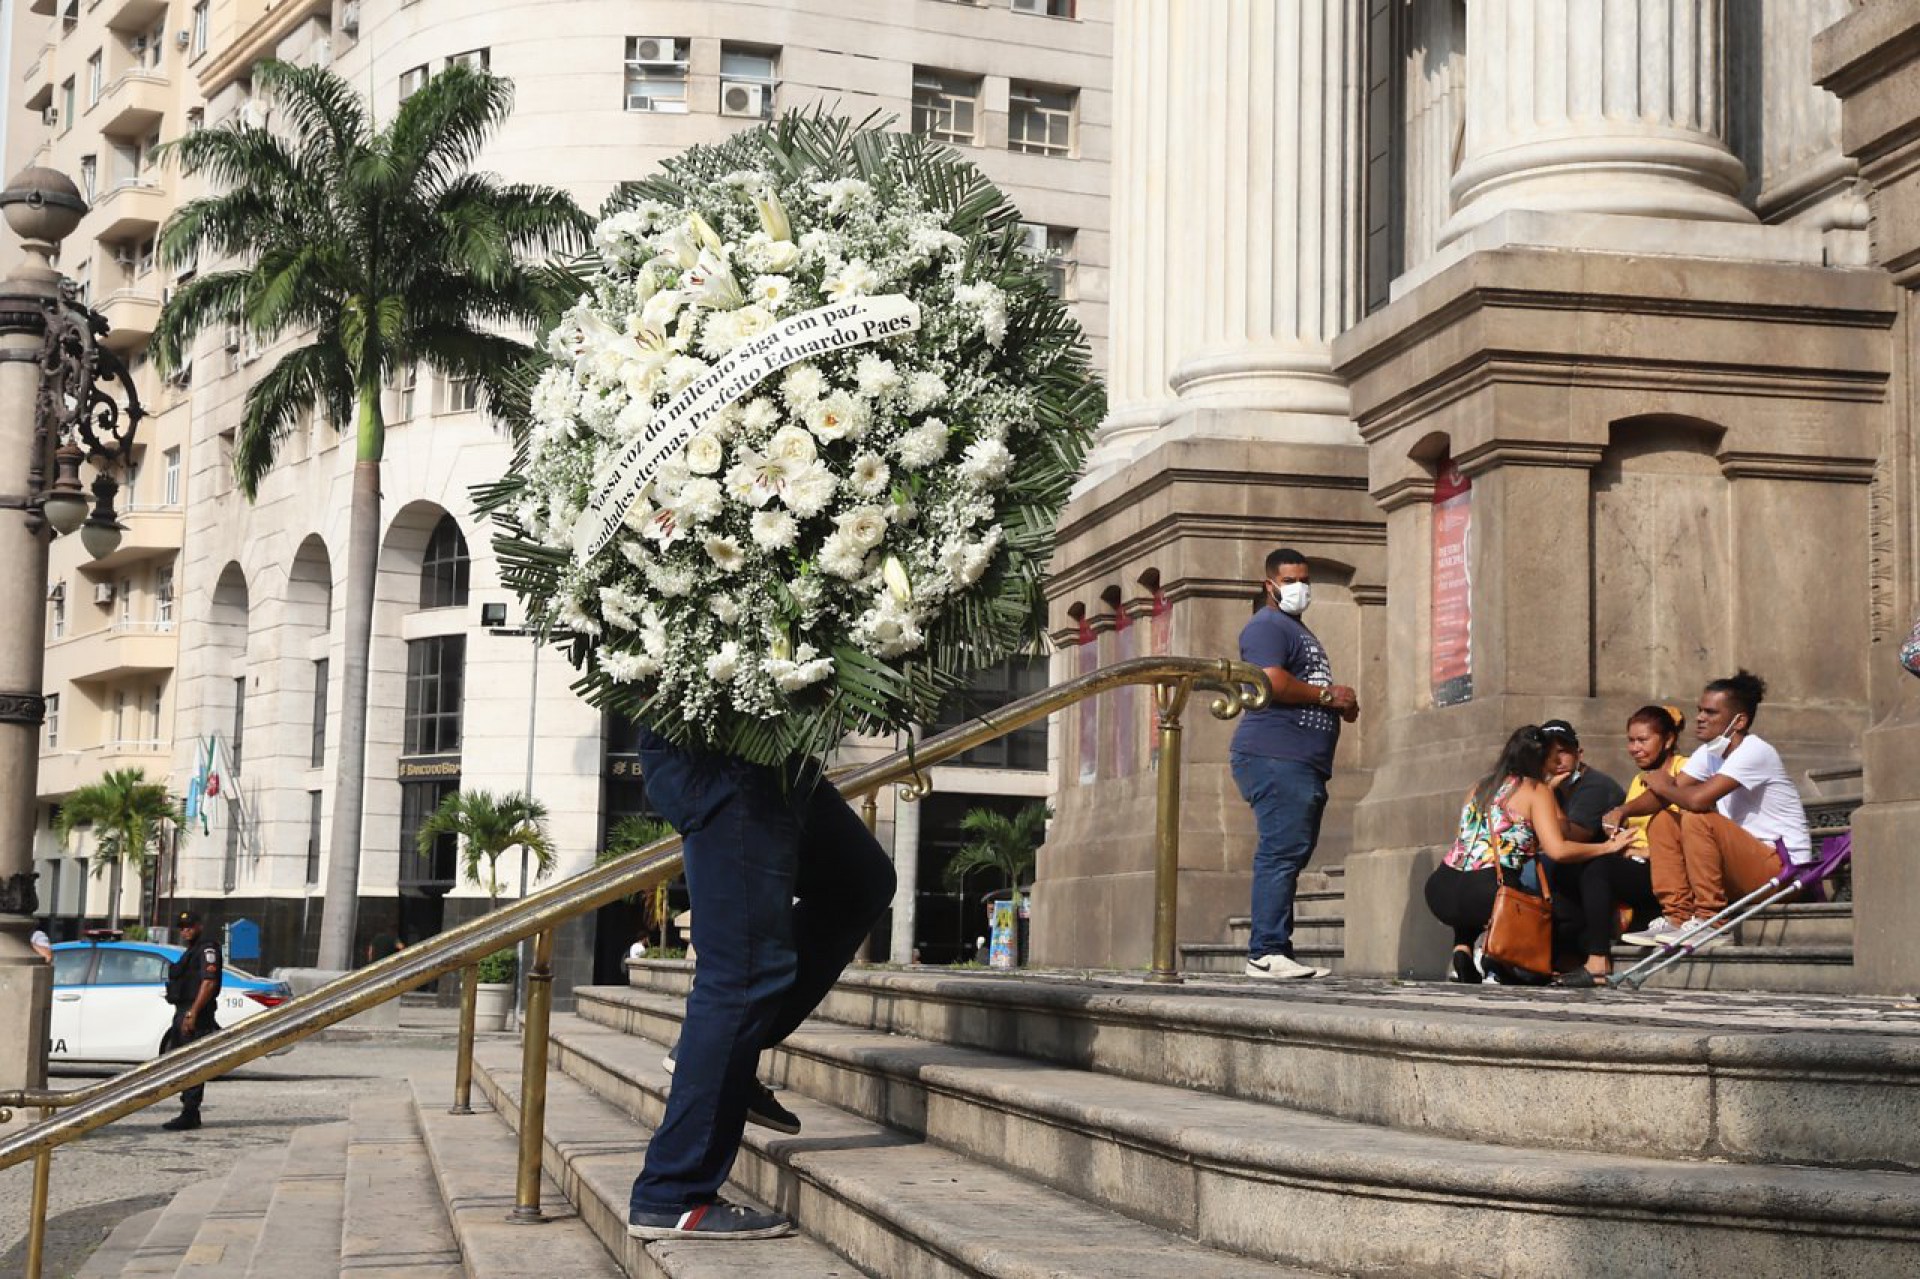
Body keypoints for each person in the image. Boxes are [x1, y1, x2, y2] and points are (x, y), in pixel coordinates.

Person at [625, 730, 895, 1242]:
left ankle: (725, 1059)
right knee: (742, 971)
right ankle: (672, 1194)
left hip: (776, 751)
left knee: (861, 880)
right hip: (725, 753)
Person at [1230, 547, 1358, 980]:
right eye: (1289, 581)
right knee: (1280, 851)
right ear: (1269, 585)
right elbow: (1269, 680)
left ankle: (1275, 949)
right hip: (1275, 754)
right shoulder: (1267, 626)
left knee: (1290, 851)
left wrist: (1339, 703)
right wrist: (1325, 695)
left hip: (1298, 759)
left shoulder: (1297, 630)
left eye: (1304, 580)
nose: (1299, 588)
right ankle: (1266, 951)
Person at [1425, 726, 1636, 984]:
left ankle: (1463, 947)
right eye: (1552, 758)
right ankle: (1501, 959)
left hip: (1440, 890)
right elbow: (1558, 850)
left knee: (1474, 880)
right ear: (1542, 759)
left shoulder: (1479, 786)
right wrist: (1607, 848)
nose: (1556, 764)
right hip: (1486, 894)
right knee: (1550, 910)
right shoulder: (1536, 790)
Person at [1622, 670, 1811, 950]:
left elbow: (1697, 800)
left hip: (1782, 872)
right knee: (1663, 820)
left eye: (1710, 712)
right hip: (1741, 866)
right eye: (1700, 710)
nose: (1700, 718)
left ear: (1739, 721)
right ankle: (1677, 916)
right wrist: (1621, 811)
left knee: (1697, 818)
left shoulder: (1755, 751)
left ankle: (1712, 921)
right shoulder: (1709, 753)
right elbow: (1663, 797)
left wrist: (1662, 785)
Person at [161, 910, 223, 1131]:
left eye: (189, 926)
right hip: (183, 1011)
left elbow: (209, 982)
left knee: (192, 1063)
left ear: (199, 926)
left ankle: (190, 1112)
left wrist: (193, 1013)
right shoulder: (190, 951)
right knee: (181, 1062)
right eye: (182, 927)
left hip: (195, 1014)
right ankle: (188, 1110)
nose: (185, 930)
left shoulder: (207, 949)